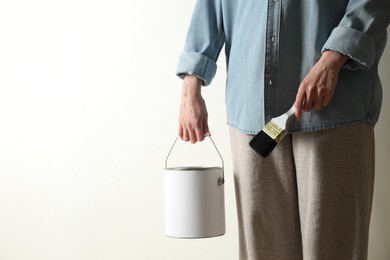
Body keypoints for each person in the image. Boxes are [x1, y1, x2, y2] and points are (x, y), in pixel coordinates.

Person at [176, 0, 389, 259]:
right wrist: (190, 85)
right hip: (251, 110)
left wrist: (333, 59)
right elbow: (209, 7)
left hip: (334, 105)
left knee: (334, 250)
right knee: (263, 251)